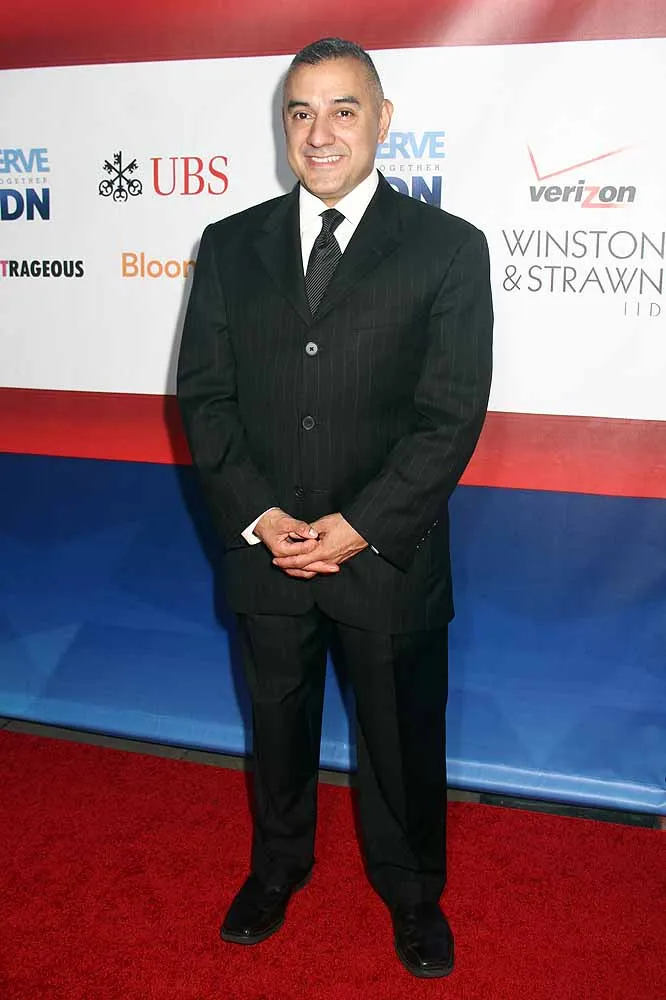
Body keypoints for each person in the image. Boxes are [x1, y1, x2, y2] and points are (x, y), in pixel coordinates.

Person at [177, 37, 493, 979]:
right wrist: (260, 516)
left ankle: (414, 893)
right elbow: (206, 397)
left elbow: (449, 415)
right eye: (301, 112)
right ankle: (277, 868)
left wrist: (360, 528)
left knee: (401, 737)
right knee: (276, 725)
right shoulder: (229, 244)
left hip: (387, 556)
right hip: (267, 551)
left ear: (383, 121)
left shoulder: (448, 248)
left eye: (343, 109)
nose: (319, 133)